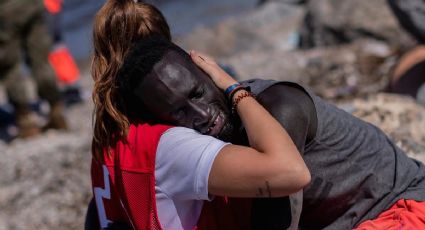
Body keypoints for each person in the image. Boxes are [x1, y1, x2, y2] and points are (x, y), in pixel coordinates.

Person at [89, 1, 425, 229]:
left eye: (198, 93)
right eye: (179, 111)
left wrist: (233, 89)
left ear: (206, 71)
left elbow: (276, 212)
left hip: (399, 207)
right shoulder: (176, 139)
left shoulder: (277, 106)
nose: (202, 115)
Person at [90, 1, 309, 230]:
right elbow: (290, 173)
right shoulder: (170, 145)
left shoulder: (108, 136)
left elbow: (97, 214)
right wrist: (234, 89)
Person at [0, 0, 68, 137]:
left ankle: (26, 120)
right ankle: (56, 110)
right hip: (32, 5)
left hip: (7, 9)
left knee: (10, 66)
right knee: (41, 59)